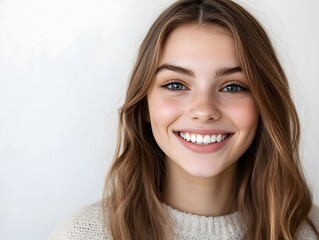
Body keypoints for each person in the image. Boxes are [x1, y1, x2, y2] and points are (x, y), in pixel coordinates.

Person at [49, 0, 319, 239]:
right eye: (176, 85)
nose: (204, 110)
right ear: (144, 105)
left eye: (233, 86)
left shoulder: (311, 231)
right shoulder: (82, 234)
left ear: (264, 105)